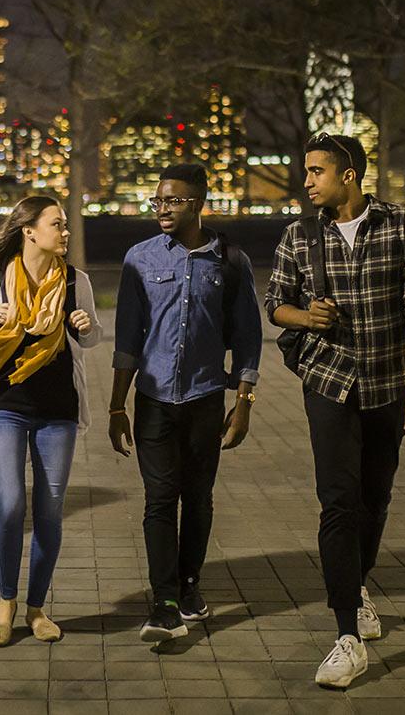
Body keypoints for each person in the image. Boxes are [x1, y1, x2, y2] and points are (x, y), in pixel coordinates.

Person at [264, 133, 405, 689]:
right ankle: (347, 634)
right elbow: (276, 305)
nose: (307, 180)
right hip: (328, 383)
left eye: (317, 171)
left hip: (389, 384)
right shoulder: (299, 235)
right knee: (337, 501)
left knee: (374, 498)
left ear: (350, 175)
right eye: (306, 171)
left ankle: (358, 585)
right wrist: (305, 317)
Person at [108, 163, 262, 642]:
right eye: (156, 201)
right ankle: (165, 601)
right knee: (159, 499)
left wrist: (244, 402)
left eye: (172, 201)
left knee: (197, 498)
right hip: (153, 399)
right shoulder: (140, 258)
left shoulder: (230, 260)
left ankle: (191, 587)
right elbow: (128, 338)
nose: (161, 210)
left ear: (197, 203)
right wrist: (117, 406)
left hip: (205, 399)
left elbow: (248, 338)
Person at [0, 196, 102, 646]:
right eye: (57, 224)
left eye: (65, 224)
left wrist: (83, 324)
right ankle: (6, 600)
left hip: (58, 409)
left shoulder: (76, 282)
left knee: (50, 510)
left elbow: (94, 335)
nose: (65, 232)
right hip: (4, 405)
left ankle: (37, 608)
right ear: (30, 230)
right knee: (12, 503)